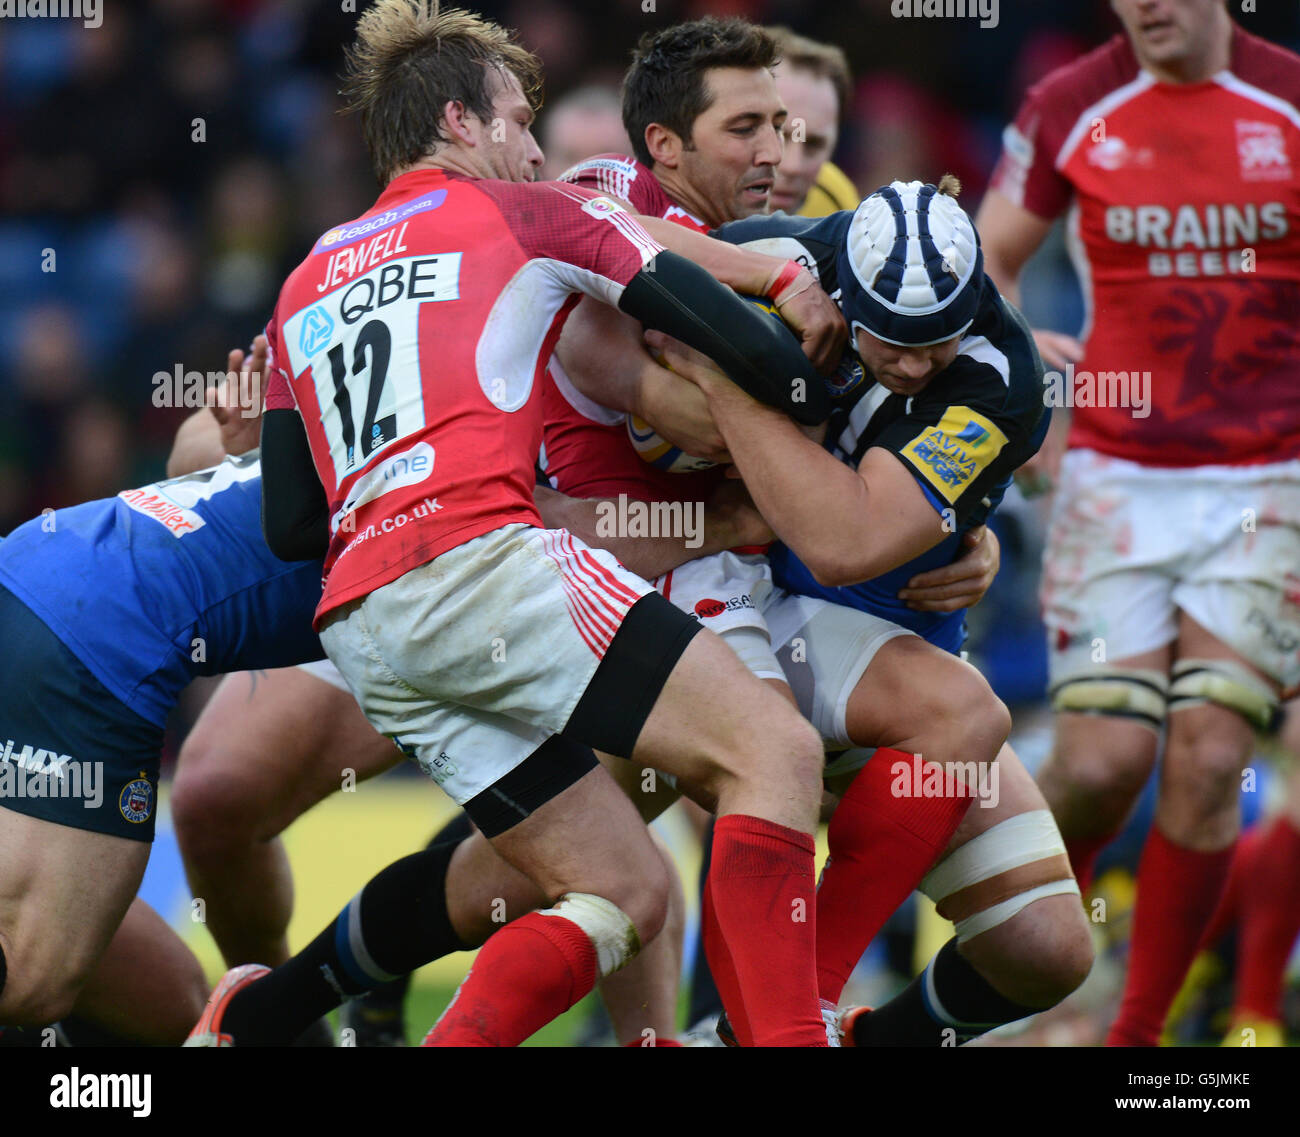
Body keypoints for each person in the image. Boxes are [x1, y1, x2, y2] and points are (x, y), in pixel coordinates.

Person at [190, 0, 845, 1049]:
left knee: (625, 892)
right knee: (773, 754)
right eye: (517, 121)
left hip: (366, 628)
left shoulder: (306, 275)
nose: (536, 148)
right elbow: (701, 310)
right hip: (488, 565)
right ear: (462, 120)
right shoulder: (522, 212)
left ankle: (250, 1022)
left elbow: (286, 522)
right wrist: (817, 388)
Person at [976, 0, 1300, 1045]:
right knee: (1104, 765)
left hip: (1267, 484)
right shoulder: (1071, 105)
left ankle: (1133, 1042)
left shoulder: (1286, 99)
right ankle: (1026, 963)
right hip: (1115, 478)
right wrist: (1025, 403)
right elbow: (985, 273)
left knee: (1211, 762)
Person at [0, 347, 325, 1046]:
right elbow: (193, 445)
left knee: (176, 1000)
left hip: (38, 575)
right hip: (98, 634)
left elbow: (191, 448)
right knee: (35, 976)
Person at [767, 27, 859, 217]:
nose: (793, 167)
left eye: (814, 144)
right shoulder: (691, 205)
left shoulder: (836, 204)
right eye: (777, 134)